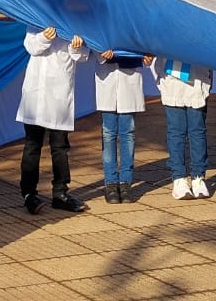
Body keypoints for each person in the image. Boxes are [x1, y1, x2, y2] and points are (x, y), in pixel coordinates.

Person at [16, 24, 88, 214]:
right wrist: (44, 37)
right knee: (33, 145)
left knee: (60, 147)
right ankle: (29, 194)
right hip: (37, 95)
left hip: (59, 94)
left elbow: (82, 56)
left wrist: (76, 46)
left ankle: (60, 193)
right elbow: (31, 46)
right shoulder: (35, 19)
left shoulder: (71, 20)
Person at [156, 57, 214, 200]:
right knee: (176, 132)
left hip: (197, 76)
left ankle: (198, 177)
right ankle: (179, 179)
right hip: (172, 78)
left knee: (197, 131)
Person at [94, 49, 148, 203]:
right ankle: (110, 182)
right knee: (108, 134)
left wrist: (147, 55)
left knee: (128, 134)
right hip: (107, 79)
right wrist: (101, 53)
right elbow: (94, 43)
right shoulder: (101, 26)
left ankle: (126, 182)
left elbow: (140, 41)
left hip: (129, 80)